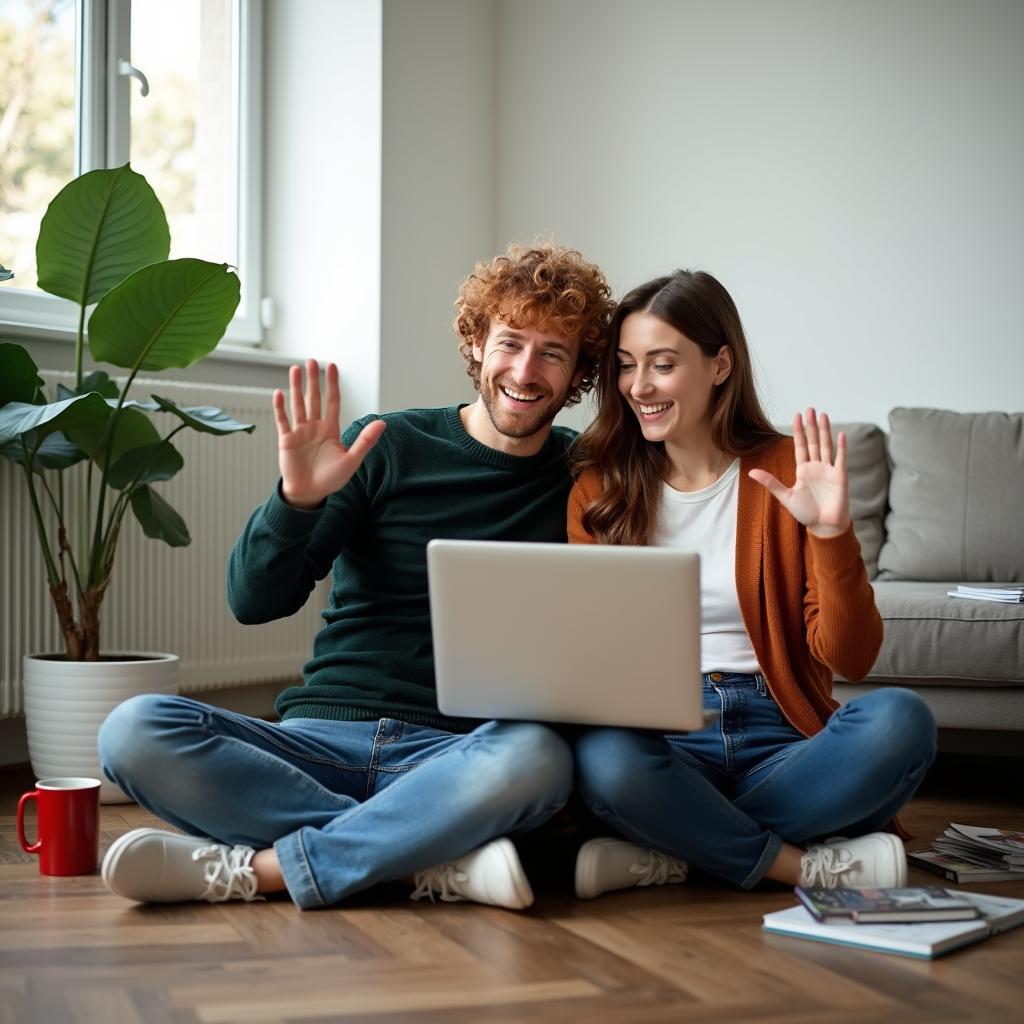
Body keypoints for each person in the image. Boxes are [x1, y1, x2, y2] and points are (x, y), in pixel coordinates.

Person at [97, 242, 614, 911]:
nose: (525, 369)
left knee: (540, 761)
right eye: (511, 342)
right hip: (320, 737)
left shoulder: (586, 479)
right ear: (478, 343)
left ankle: (270, 869)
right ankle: (422, 858)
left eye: (553, 351)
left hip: (459, 759)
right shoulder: (386, 446)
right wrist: (297, 500)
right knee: (131, 731)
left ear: (578, 371)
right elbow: (253, 601)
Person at [566, 269, 937, 900]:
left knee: (902, 720)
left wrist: (831, 534)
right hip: (668, 742)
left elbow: (851, 656)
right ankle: (795, 862)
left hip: (783, 738)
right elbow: (597, 662)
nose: (640, 386)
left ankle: (676, 850)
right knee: (605, 760)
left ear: (720, 365)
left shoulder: (790, 471)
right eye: (627, 365)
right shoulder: (600, 491)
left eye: (662, 363)